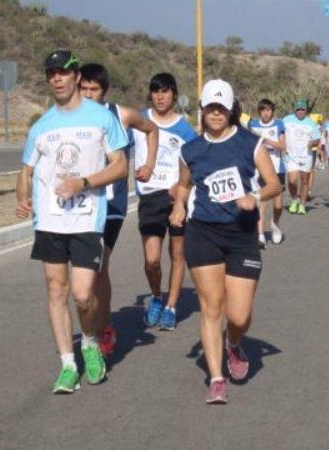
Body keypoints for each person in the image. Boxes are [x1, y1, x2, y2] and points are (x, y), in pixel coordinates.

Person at [15, 50, 130, 394]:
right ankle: (67, 364)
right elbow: (26, 171)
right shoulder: (42, 126)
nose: (57, 79)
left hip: (86, 218)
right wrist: (22, 196)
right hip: (49, 220)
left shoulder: (101, 117)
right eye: (51, 73)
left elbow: (120, 166)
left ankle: (90, 341)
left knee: (82, 295)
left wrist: (83, 183)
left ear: (77, 76)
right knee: (55, 289)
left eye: (63, 73)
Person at [170, 79, 280, 404]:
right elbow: (184, 185)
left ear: (231, 110)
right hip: (202, 232)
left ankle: (234, 344)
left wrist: (254, 195)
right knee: (211, 307)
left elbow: (274, 184)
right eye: (210, 108)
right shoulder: (189, 150)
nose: (216, 113)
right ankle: (216, 377)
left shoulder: (250, 144)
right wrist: (178, 205)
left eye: (222, 108)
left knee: (239, 316)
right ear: (202, 110)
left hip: (242, 234)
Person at [78, 63, 158, 357]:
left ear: (104, 91)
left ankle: (105, 327)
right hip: (81, 204)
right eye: (83, 88)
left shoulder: (121, 114)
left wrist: (148, 164)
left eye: (94, 89)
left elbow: (151, 130)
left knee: (99, 266)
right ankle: (95, 323)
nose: (88, 94)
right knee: (85, 272)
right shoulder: (73, 118)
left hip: (112, 204)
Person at [134, 73, 198, 331]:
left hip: (176, 198)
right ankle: (157, 297)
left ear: (174, 94)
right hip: (149, 198)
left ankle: (171, 307)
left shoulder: (184, 129)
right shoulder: (139, 121)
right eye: (155, 91)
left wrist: (182, 186)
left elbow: (195, 163)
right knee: (152, 260)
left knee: (177, 253)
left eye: (165, 91)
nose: (160, 96)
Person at [247, 98, 286, 246]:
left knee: (278, 205)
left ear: (272, 111)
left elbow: (282, 146)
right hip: (260, 169)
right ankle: (260, 234)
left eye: (268, 110)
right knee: (262, 203)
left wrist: (265, 140)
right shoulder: (253, 124)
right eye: (263, 110)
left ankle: (275, 226)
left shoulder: (279, 124)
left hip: (277, 168)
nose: (265, 113)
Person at [282, 100, 321, 215]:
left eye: (302, 109)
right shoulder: (287, 120)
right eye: (298, 109)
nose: (300, 112)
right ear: (295, 110)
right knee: (292, 180)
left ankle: (302, 205)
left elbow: (317, 139)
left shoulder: (311, 123)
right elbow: (280, 132)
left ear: (306, 110)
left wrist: (313, 143)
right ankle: (295, 199)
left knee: (304, 181)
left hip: (306, 156)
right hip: (291, 156)